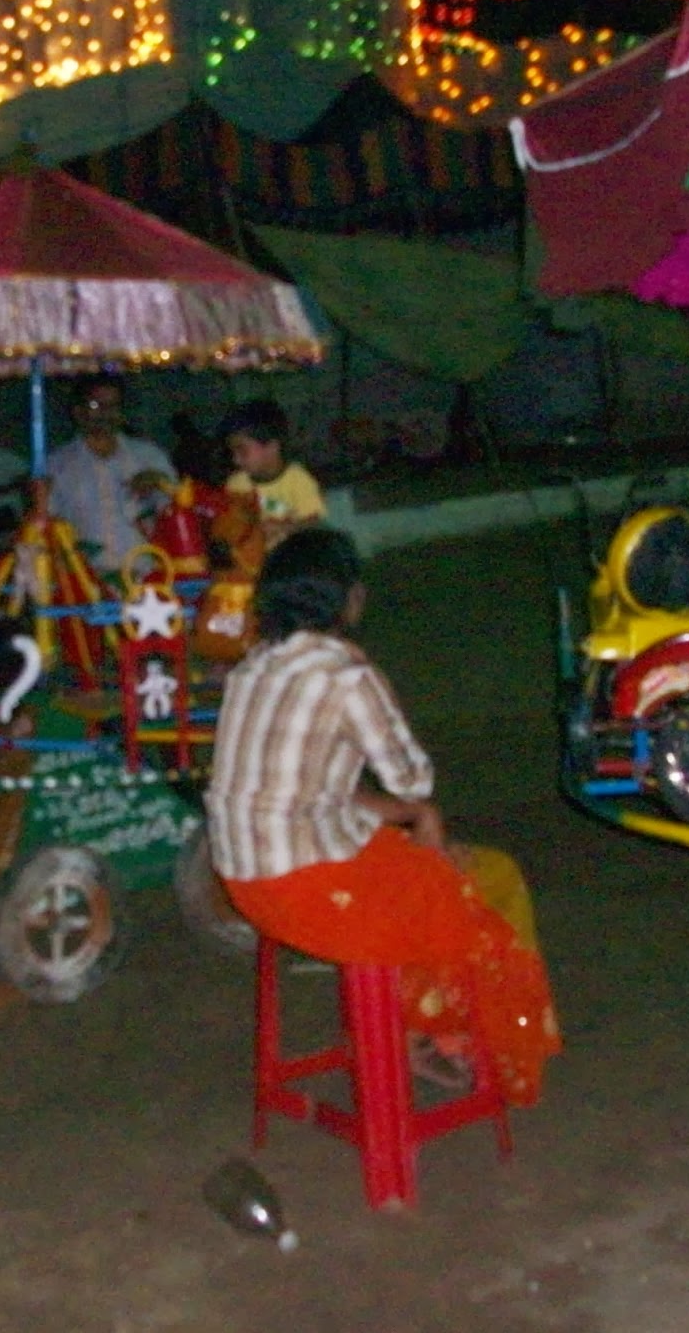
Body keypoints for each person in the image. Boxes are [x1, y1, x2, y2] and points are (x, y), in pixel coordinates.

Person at [204, 528, 560, 1104]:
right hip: (310, 886)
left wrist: (415, 815)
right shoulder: (347, 676)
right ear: (350, 599)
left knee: (422, 869)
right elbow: (413, 778)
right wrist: (412, 787)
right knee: (484, 884)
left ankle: (419, 1030)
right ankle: (464, 1044)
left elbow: (314, 792)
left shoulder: (253, 668)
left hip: (246, 884)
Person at [45, 375, 174, 571]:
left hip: (148, 575)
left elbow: (179, 513)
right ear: (78, 411)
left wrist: (161, 484)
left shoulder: (149, 457)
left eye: (113, 406)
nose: (106, 413)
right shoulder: (57, 465)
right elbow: (47, 527)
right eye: (96, 405)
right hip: (84, 580)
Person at [221, 398, 325, 549]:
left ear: (272, 447)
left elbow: (313, 522)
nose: (235, 460)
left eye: (242, 451)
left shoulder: (298, 480)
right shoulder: (236, 484)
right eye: (233, 452)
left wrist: (284, 528)